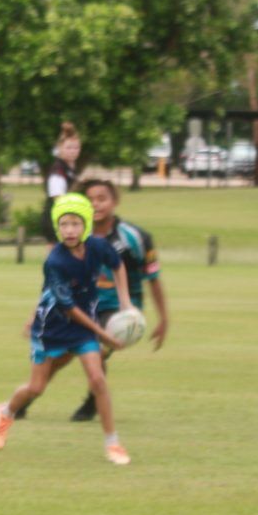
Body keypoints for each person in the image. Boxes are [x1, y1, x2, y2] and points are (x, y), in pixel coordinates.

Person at [0, 192, 133, 465]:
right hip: (51, 328)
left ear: (86, 225)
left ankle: (113, 443)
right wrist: (105, 335)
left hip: (82, 330)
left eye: (75, 224)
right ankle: (5, 413)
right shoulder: (56, 261)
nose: (69, 230)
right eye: (64, 224)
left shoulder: (99, 247)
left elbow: (118, 266)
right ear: (58, 226)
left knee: (98, 380)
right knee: (36, 387)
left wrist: (125, 304)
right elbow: (69, 309)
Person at [66, 177, 170, 422]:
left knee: (96, 349)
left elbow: (153, 279)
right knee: (54, 359)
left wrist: (163, 319)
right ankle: (26, 399)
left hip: (122, 308)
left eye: (102, 198)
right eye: (90, 200)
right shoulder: (76, 234)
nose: (96, 204)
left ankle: (93, 400)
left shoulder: (136, 237)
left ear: (114, 201)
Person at [38, 122, 82, 242]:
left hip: (65, 219)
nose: (73, 151)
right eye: (68, 148)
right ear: (60, 149)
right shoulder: (58, 172)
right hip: (56, 219)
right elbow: (59, 200)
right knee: (56, 258)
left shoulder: (69, 170)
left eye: (76, 148)